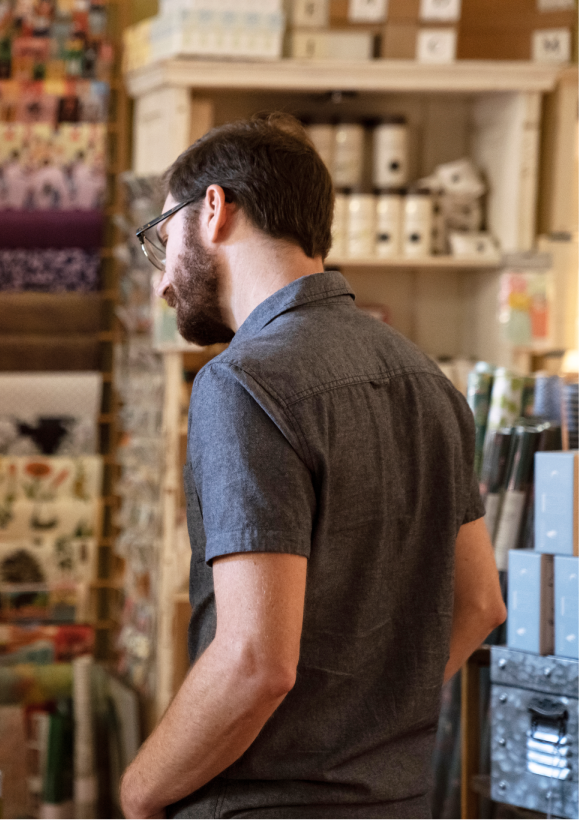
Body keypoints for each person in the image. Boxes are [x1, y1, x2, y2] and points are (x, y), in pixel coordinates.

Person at [119, 115, 506, 819]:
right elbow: (481, 603)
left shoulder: (242, 383)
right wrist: (361, 726)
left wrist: (140, 789)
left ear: (213, 208)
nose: (162, 285)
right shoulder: (429, 380)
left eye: (162, 242)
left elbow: (254, 663)